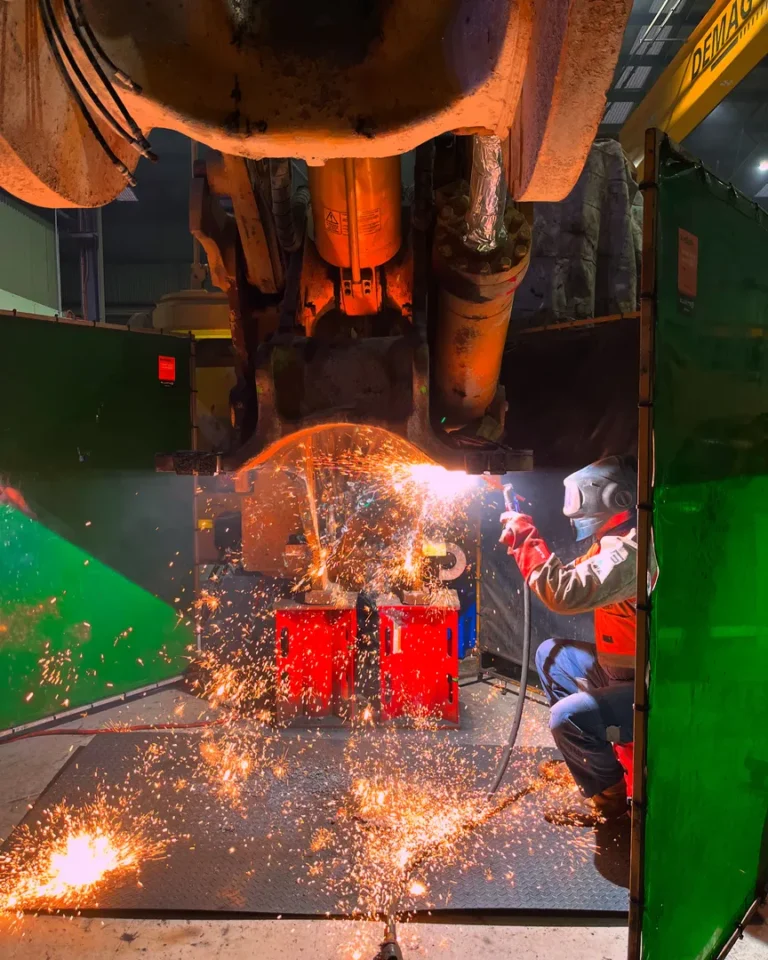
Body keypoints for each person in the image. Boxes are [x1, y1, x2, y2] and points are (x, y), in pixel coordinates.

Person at [499, 455, 652, 825]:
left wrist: (524, 538)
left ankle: (614, 805)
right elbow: (570, 577)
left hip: (647, 688)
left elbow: (564, 592)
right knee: (553, 655)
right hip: (620, 676)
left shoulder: (630, 551)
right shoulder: (614, 541)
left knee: (565, 718)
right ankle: (601, 767)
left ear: (614, 498)